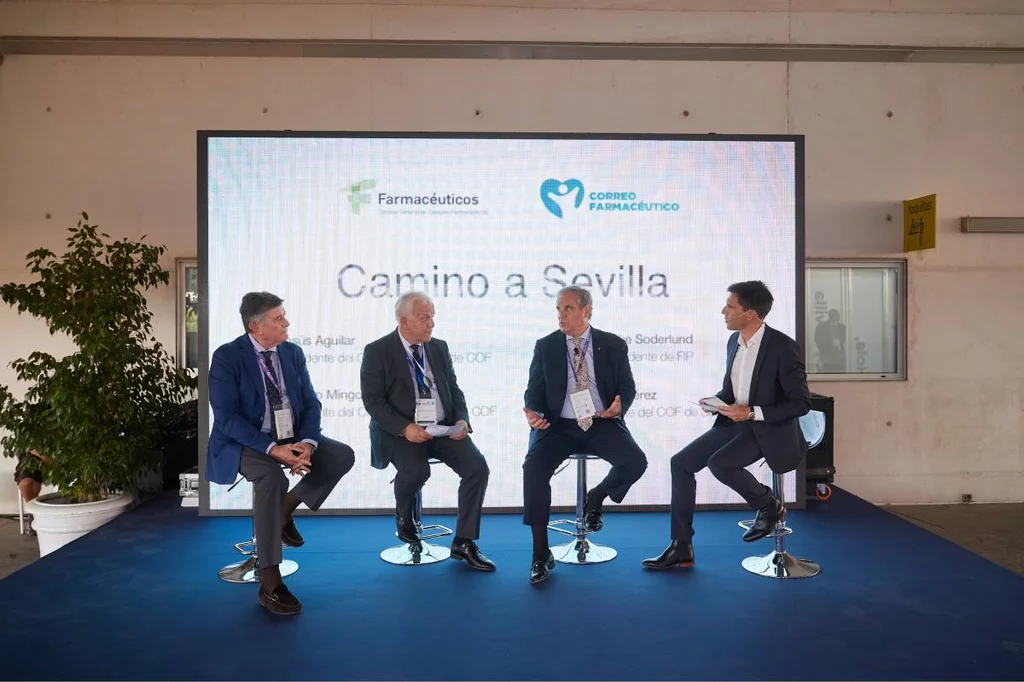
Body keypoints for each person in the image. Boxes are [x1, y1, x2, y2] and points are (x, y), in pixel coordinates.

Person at [643, 280, 810, 570]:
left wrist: (753, 412)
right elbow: (732, 393)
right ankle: (681, 546)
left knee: (720, 464)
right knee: (680, 463)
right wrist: (716, 402)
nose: (723, 311)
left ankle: (768, 505)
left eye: (730, 306)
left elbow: (801, 403)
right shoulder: (734, 341)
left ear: (752, 314)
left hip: (768, 428)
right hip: (736, 422)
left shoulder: (783, 347)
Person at [207, 292, 355, 616]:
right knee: (272, 477)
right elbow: (227, 418)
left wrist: (307, 444)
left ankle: (286, 509)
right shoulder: (227, 357)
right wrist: (274, 450)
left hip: (290, 437)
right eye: (278, 318)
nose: (286, 323)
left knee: (341, 455)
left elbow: (311, 403)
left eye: (284, 315)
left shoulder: (292, 353)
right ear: (256, 327)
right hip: (246, 442)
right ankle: (270, 580)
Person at [360, 291, 495, 571]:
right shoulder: (378, 350)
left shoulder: (438, 347)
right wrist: (404, 427)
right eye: (425, 318)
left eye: (433, 317)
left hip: (441, 429)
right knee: (417, 471)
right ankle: (404, 517)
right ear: (404, 320)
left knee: (476, 467)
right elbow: (373, 401)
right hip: (399, 431)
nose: (431, 323)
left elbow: (454, 389)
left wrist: (461, 421)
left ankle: (464, 542)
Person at [522, 285, 648, 584]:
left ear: (586, 310)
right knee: (533, 470)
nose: (561, 315)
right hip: (558, 426)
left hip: (600, 422)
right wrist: (533, 411)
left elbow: (627, 387)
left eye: (567, 309)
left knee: (636, 462)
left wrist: (619, 406)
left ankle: (596, 496)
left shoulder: (613, 344)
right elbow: (533, 389)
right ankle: (541, 554)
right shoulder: (546, 345)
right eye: (558, 310)